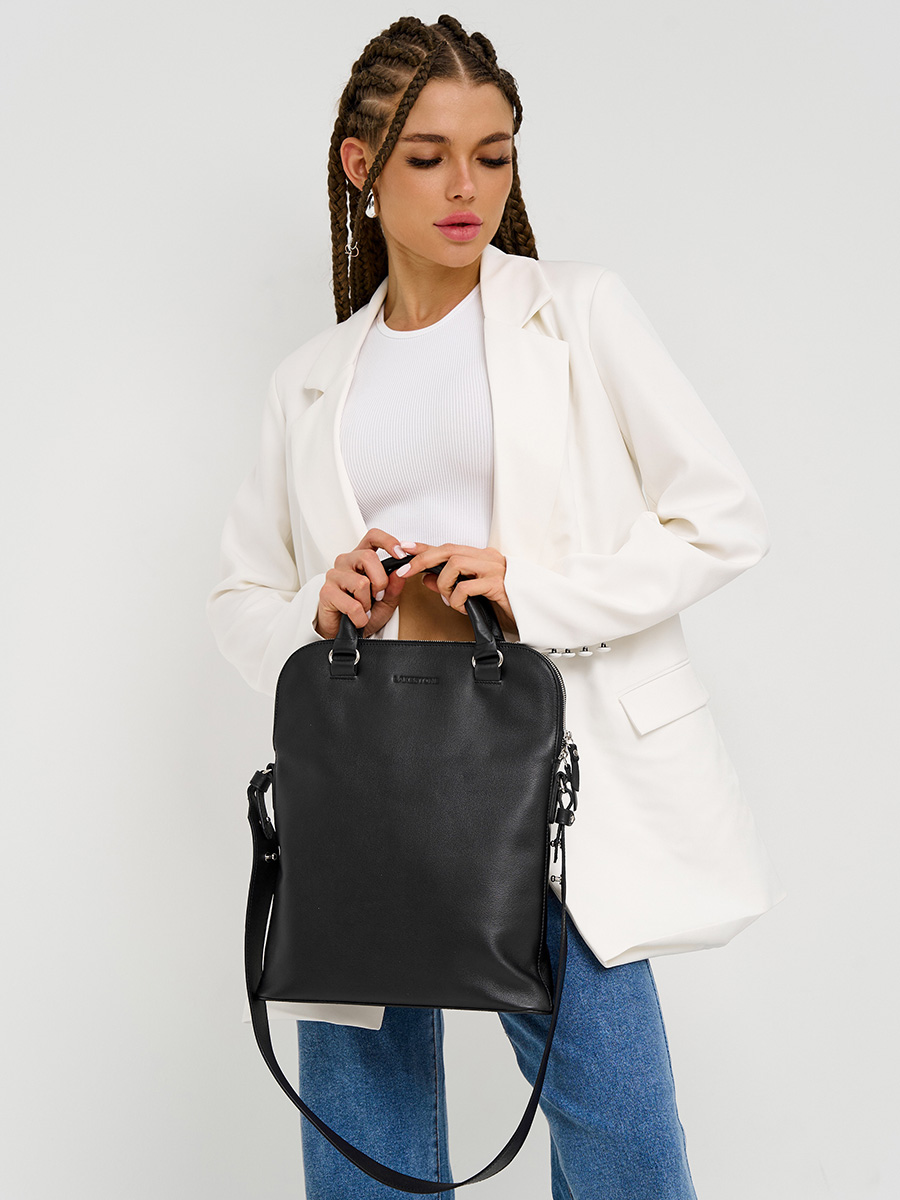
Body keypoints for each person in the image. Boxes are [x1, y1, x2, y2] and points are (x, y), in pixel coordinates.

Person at [207, 13, 787, 1199]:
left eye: (493, 153)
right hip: (363, 778)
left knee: (622, 1134)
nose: (466, 187)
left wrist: (533, 591)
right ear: (361, 167)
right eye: (427, 157)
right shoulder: (308, 381)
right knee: (361, 1142)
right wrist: (319, 608)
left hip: (544, 766)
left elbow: (721, 519)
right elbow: (240, 595)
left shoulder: (578, 313)